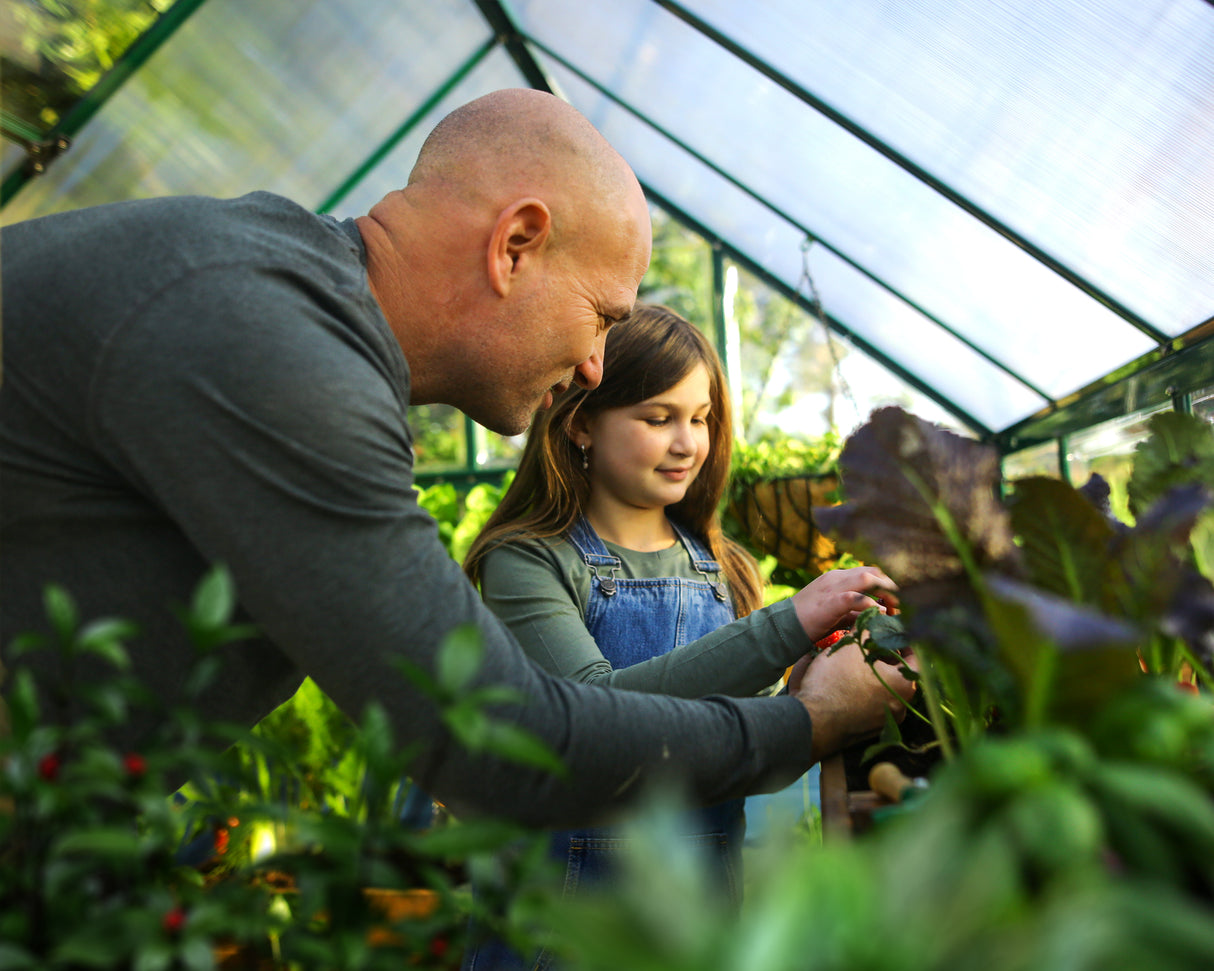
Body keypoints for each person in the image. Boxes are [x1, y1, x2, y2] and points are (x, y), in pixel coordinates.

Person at [0, 87, 914, 830]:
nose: (596, 364)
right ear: (515, 244)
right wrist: (812, 718)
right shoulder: (274, 345)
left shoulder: (294, 315)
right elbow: (492, 740)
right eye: (600, 315)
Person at [458, 304, 904, 967]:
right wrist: (787, 625)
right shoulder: (529, 562)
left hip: (702, 926)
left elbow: (733, 738)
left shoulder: (725, 567)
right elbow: (598, 712)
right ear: (581, 422)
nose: (688, 442)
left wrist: (815, 674)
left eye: (700, 417)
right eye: (657, 417)